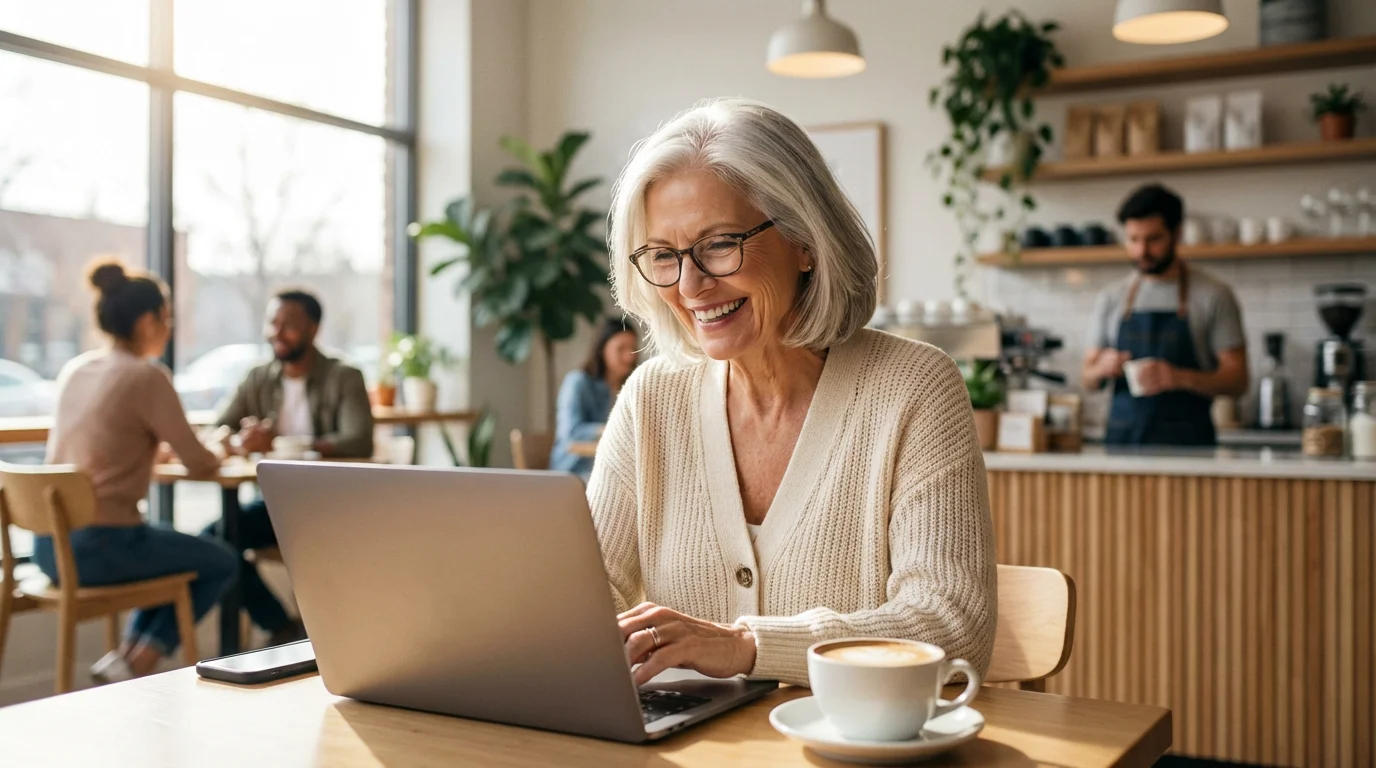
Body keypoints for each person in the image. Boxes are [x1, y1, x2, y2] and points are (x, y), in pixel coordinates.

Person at [590, 98, 997, 688]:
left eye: (720, 244)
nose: (691, 285)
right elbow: (586, 591)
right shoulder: (652, 397)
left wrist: (745, 647)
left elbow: (951, 624)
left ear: (805, 240)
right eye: (663, 256)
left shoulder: (914, 388)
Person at [39, 260, 237, 683]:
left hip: (48, 547)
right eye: (167, 319)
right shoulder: (147, 376)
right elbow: (199, 461)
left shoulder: (76, 369)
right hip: (100, 546)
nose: (169, 328)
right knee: (221, 560)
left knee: (166, 547)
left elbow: (107, 444)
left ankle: (124, 660)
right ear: (148, 322)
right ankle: (136, 665)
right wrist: (226, 446)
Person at [200, 289, 374, 645]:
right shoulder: (258, 378)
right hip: (276, 505)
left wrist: (281, 443)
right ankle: (281, 627)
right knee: (214, 543)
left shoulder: (344, 376)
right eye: (272, 323)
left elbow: (359, 440)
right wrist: (240, 441)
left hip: (334, 509)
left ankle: (314, 638)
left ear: (313, 329)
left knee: (223, 540)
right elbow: (217, 428)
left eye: (289, 325)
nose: (277, 333)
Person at [1081, 184, 1248, 446]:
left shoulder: (1214, 295)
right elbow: (1087, 378)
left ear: (1177, 234)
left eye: (1153, 239)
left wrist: (1178, 377)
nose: (1141, 251)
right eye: (1133, 240)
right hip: (1121, 446)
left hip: (1191, 451)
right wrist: (1102, 368)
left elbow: (1238, 380)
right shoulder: (1112, 298)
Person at [549, 319, 640, 480]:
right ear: (602, 348)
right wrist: (612, 429)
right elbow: (571, 433)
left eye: (633, 349)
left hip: (610, 471)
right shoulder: (578, 382)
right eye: (621, 349)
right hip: (574, 473)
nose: (629, 357)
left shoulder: (632, 388)